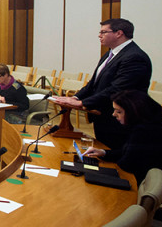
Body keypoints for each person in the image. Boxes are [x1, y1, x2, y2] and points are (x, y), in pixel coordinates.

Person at [54, 18, 152, 149]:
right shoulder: (110, 54)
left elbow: (118, 89)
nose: (99, 35)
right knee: (103, 152)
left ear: (119, 33)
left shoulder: (134, 57)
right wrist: (75, 97)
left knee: (117, 159)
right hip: (103, 117)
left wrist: (83, 103)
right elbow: (93, 83)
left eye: (103, 32)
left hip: (120, 121)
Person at [84, 90, 162, 206]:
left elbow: (126, 164)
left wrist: (97, 168)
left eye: (119, 112)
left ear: (134, 112)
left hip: (159, 201)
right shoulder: (150, 126)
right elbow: (128, 152)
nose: (113, 115)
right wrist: (103, 153)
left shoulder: (144, 132)